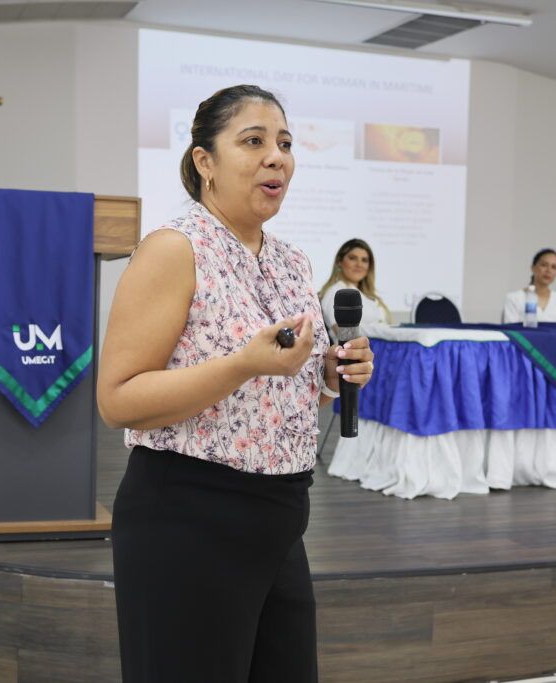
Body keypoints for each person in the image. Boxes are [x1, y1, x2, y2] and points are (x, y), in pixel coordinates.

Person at [97, 84, 374, 683]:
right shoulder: (175, 249)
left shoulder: (292, 260)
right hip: (189, 518)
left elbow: (283, 378)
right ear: (205, 162)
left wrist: (327, 375)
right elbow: (118, 400)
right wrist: (242, 365)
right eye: (253, 141)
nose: (277, 157)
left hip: (280, 519)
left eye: (285, 143)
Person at [319, 238, 392, 341]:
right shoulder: (337, 293)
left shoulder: (370, 297)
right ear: (339, 262)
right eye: (353, 258)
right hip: (355, 354)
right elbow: (344, 333)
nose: (359, 264)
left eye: (364, 260)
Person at [502, 248, 556, 324]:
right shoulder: (514, 298)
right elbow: (511, 332)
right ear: (533, 268)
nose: (548, 270)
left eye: (554, 267)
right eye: (544, 265)